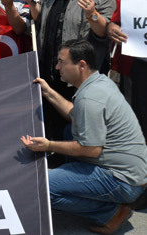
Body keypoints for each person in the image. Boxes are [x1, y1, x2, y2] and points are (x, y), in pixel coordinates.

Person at [21, 39, 147, 234]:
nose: (57, 67)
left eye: (62, 62)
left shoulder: (90, 98)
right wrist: (48, 92)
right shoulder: (99, 81)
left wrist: (48, 145)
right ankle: (86, 187)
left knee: (41, 186)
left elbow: (91, 149)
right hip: (132, 169)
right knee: (69, 131)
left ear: (81, 65)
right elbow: (75, 113)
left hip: (124, 180)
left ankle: (110, 213)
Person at [28, 0, 116, 143]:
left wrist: (92, 13)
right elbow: (41, 21)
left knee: (77, 123)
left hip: (79, 72)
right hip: (51, 66)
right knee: (50, 120)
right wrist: (33, 4)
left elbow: (104, 32)